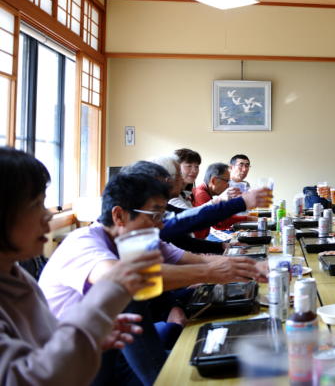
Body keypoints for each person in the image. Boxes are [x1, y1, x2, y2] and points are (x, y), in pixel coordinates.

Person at [39, 172, 264, 385]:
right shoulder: (82, 243)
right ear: (119, 215)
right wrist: (209, 273)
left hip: (113, 352)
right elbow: (124, 281)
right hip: (73, 369)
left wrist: (251, 267)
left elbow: (196, 261)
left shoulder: (137, 240)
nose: (161, 225)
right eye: (155, 216)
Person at [0, 148, 163, 386]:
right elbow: (29, 380)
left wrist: (90, 336)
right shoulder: (84, 241)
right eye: (36, 204)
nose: (47, 215)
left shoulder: (16, 276)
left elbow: (43, 346)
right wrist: (105, 298)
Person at [130, 158, 269, 254]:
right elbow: (190, 220)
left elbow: (184, 241)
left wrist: (222, 246)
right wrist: (242, 202)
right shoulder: (146, 215)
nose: (182, 180)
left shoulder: (164, 207)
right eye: (179, 176)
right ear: (164, 181)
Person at [192, 163, 247, 238]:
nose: (228, 185)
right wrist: (249, 218)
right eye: (227, 181)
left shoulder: (205, 192)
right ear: (214, 181)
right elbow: (219, 223)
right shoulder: (201, 194)